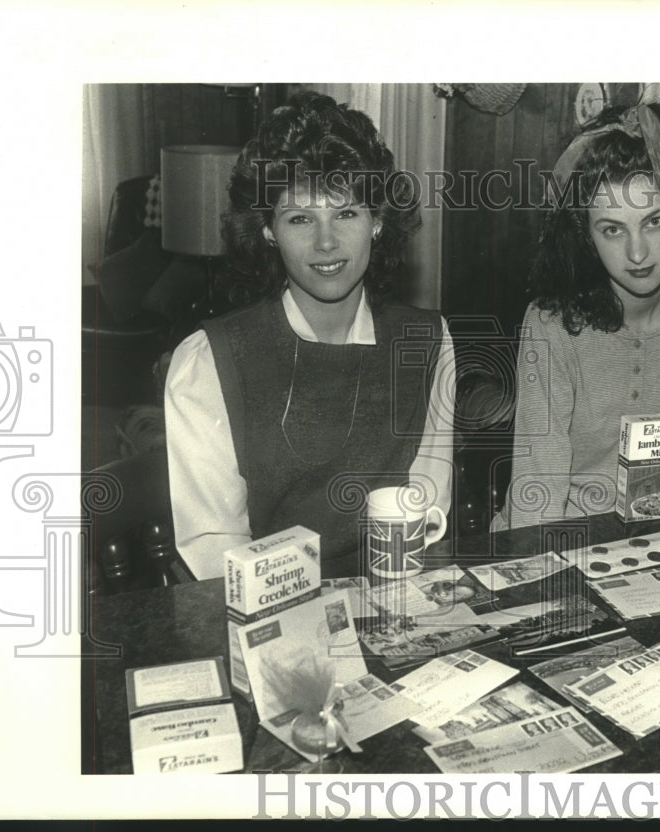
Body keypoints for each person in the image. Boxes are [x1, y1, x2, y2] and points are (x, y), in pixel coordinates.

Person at [165, 92, 454, 579]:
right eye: (300, 218)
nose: (326, 243)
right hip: (265, 610)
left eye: (346, 214)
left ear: (377, 222)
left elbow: (424, 511)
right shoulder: (209, 360)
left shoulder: (427, 341)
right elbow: (214, 548)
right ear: (267, 231)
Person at [493, 101, 660, 530]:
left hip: (657, 537)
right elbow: (538, 486)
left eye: (654, 222)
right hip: (552, 533)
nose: (637, 253)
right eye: (613, 228)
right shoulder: (550, 324)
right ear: (586, 236)